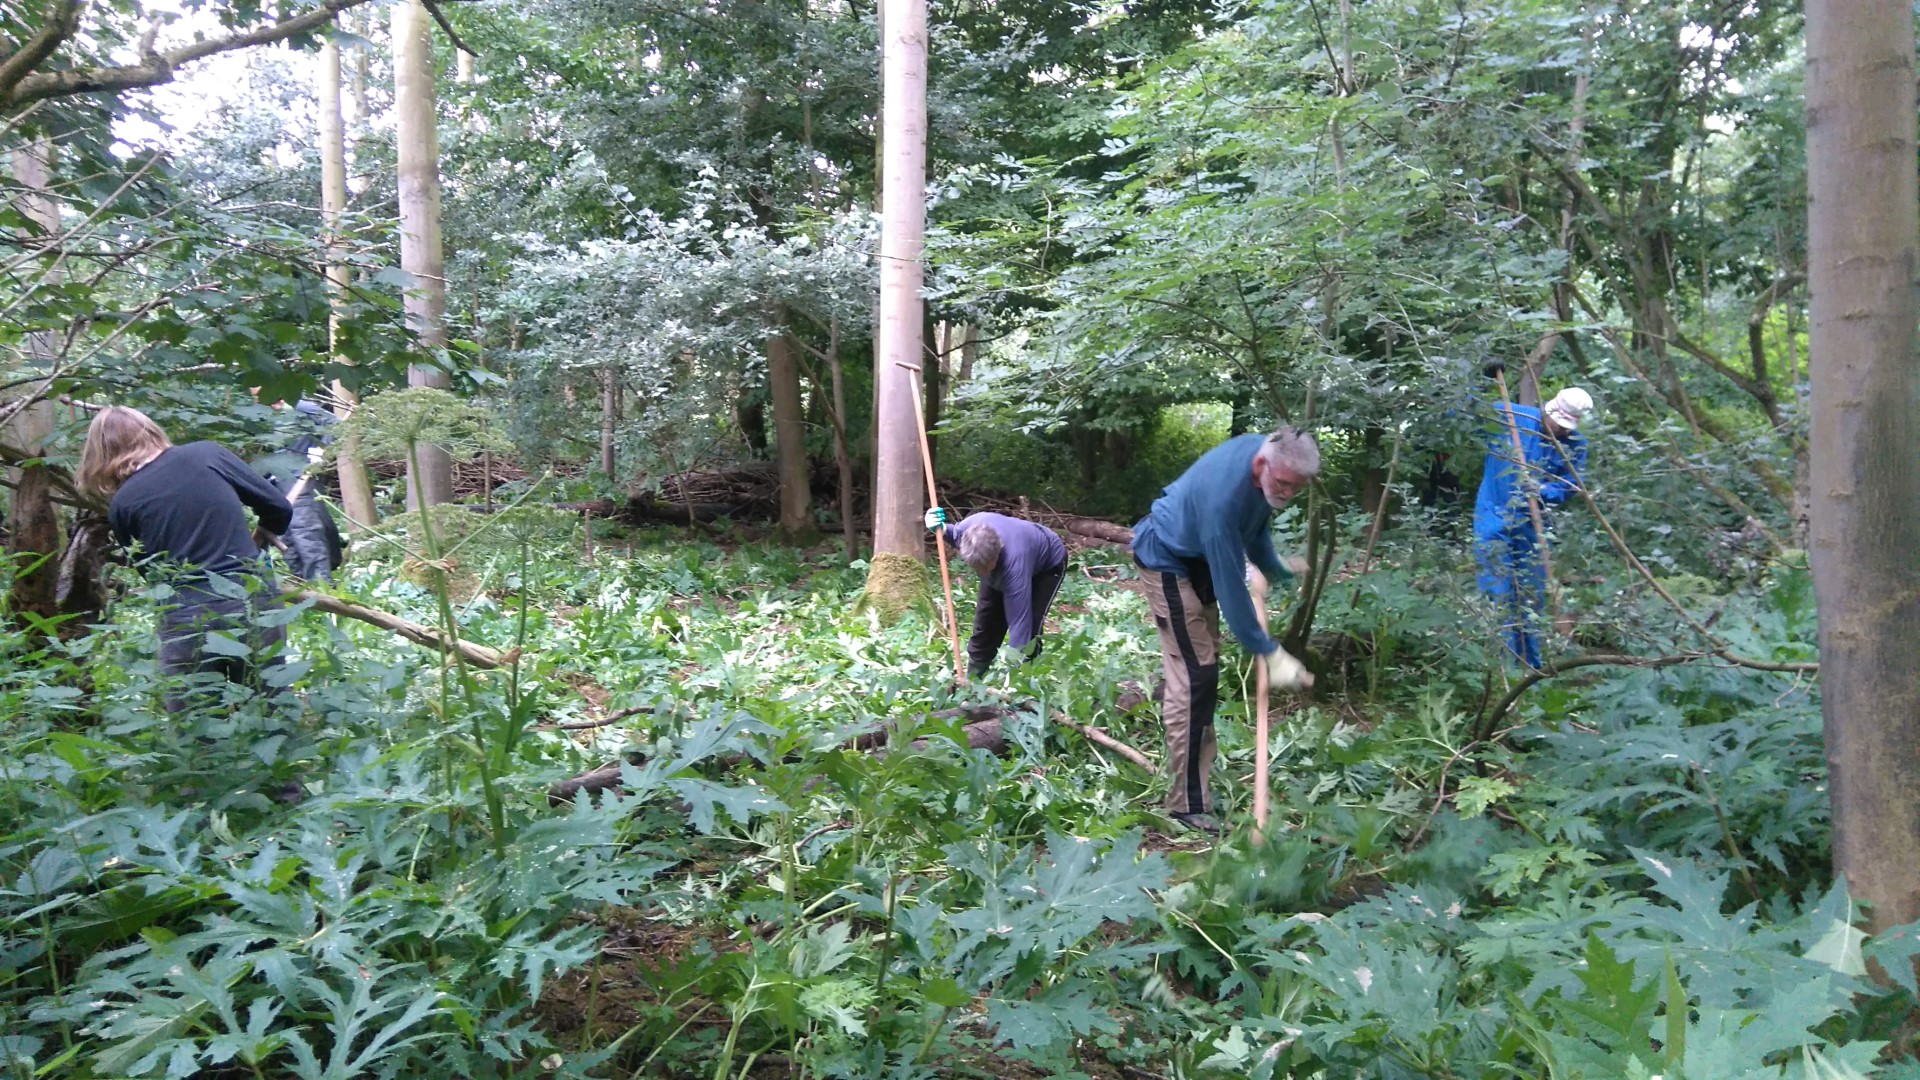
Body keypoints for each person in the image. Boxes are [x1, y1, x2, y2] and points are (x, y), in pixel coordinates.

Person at [1130, 426, 1320, 835]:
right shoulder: (1222, 500)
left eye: (1296, 489)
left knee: (1200, 663)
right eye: (1284, 485)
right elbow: (1233, 589)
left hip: (1195, 556)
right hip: (1166, 557)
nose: (1287, 494)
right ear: (1260, 465)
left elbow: (1254, 527)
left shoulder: (1267, 466)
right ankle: (1186, 805)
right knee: (1197, 676)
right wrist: (1268, 650)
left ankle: (1188, 747)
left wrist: (1275, 570)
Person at [77, 405, 294, 713]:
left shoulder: (122, 505)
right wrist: (262, 535)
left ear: (102, 454)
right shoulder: (206, 455)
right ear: (151, 432)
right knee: (270, 708)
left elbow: (151, 574)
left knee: (196, 727)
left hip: (186, 619)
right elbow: (279, 508)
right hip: (251, 598)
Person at [1472, 363, 1592, 671]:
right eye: (1560, 424)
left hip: (1534, 529)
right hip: (1493, 519)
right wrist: (1478, 378)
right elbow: (1462, 409)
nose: (1563, 431)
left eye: (1569, 426)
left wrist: (1540, 491)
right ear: (1548, 410)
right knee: (1497, 593)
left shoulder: (1575, 445)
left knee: (1529, 598)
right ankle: (1499, 672)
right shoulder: (1511, 417)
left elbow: (1571, 486)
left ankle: (1530, 669)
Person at [923, 509, 1068, 680]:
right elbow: (949, 532)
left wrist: (1012, 678)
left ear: (998, 550)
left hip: (1047, 566)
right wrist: (935, 525)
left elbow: (1019, 623)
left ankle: (1025, 678)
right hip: (1007, 559)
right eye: (978, 569)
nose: (982, 571)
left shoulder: (1015, 566)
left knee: (1030, 629)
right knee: (986, 620)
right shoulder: (966, 532)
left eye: (986, 567)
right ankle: (973, 675)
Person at [253, 394, 345, 582]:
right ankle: (301, 579)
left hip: (299, 476)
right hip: (276, 481)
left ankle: (321, 585)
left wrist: (319, 451)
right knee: (286, 532)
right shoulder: (260, 415)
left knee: (305, 529)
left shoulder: (299, 405)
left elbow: (334, 423)